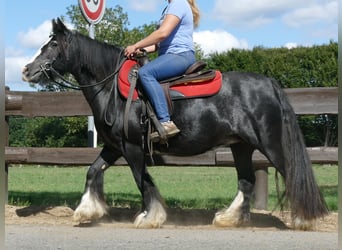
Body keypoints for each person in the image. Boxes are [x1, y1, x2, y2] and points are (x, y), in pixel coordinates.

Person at [124, 0, 200, 140]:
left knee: (145, 73)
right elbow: (158, 44)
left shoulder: (178, 3)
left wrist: (136, 45)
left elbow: (162, 33)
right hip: (169, 56)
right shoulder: (168, 8)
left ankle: (166, 122)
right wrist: (138, 50)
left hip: (180, 55)